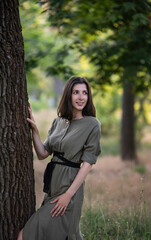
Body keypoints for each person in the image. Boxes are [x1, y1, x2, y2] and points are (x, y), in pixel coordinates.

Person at [18, 76, 101, 240]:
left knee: (25, 235)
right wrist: (34, 130)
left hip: (69, 190)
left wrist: (68, 195)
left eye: (84, 93)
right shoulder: (59, 122)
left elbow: (88, 163)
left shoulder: (92, 124)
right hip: (52, 189)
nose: (81, 97)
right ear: (68, 95)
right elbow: (42, 153)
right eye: (76, 92)